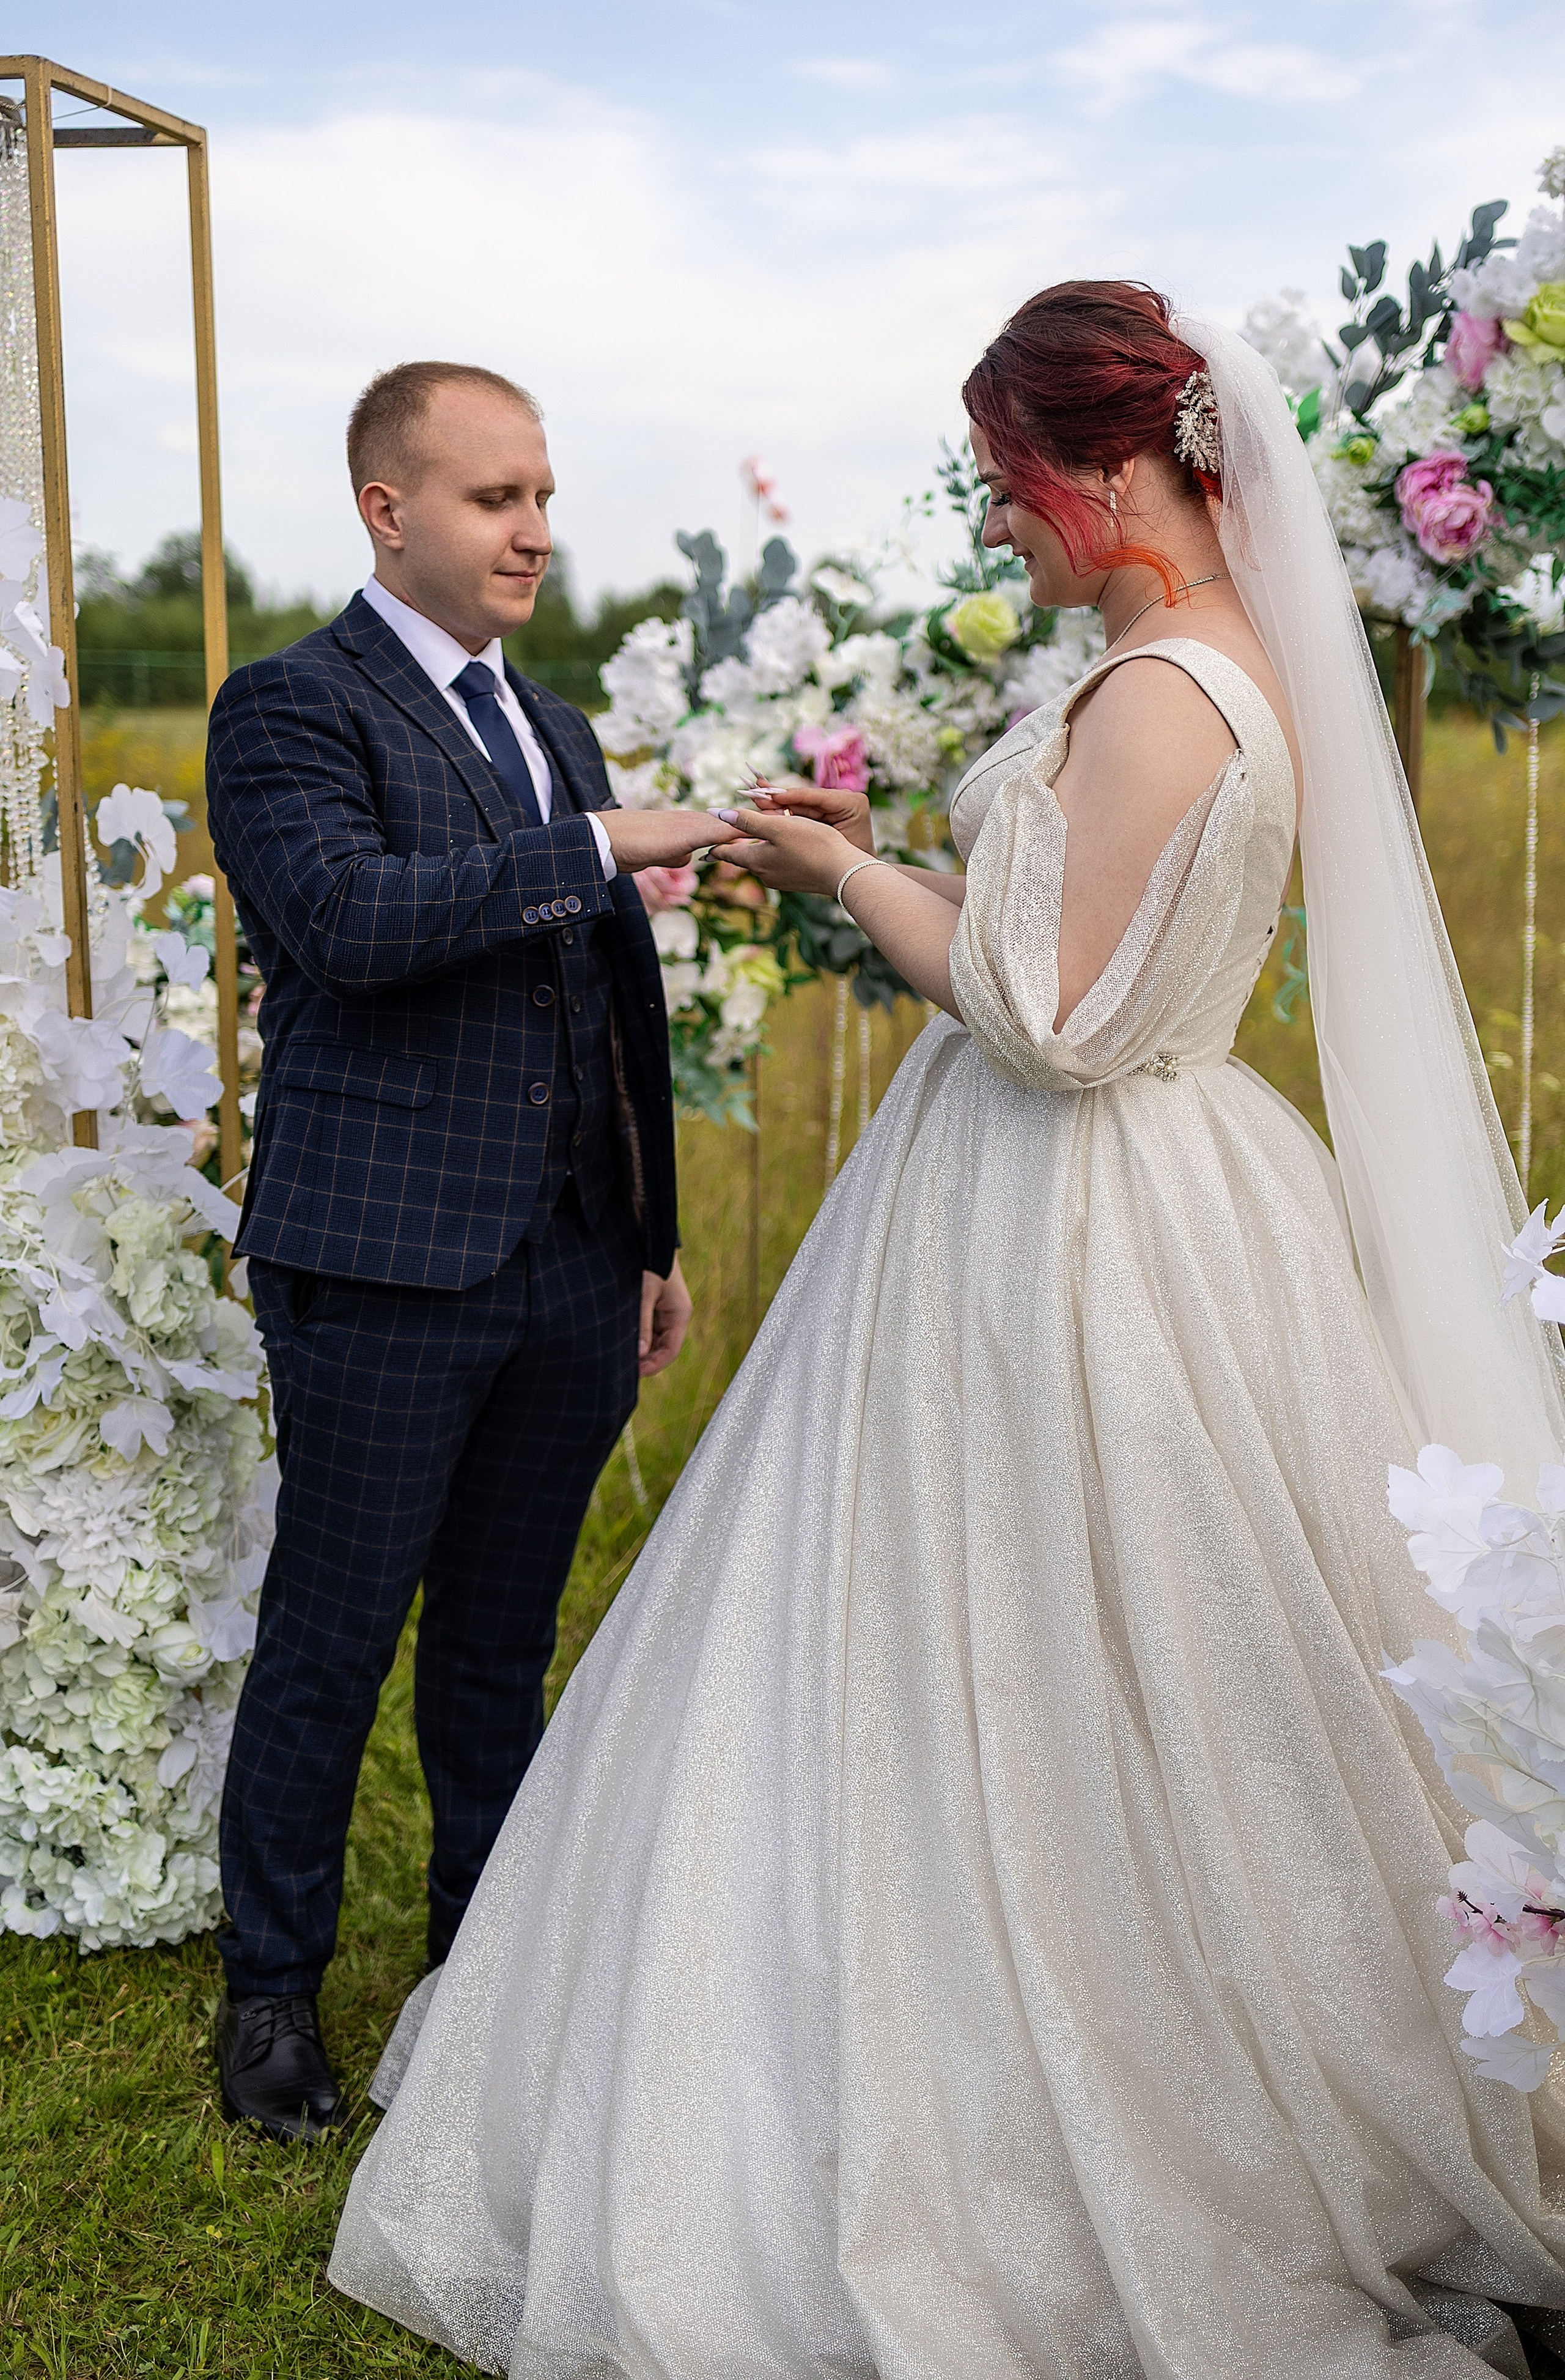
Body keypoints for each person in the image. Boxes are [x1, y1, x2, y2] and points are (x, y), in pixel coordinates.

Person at [330, 289, 1565, 2374]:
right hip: (1174, 1184)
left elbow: (1054, 1022)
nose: (1008, 533)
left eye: (1009, 491)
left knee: (1016, 1645)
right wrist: (882, 865)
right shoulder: (1227, 659)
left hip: (1067, 1224)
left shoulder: (1165, 686)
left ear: (1096, 472)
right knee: (1116, 1659)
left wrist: (854, 881)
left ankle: (1040, 2083)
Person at [204, 360, 739, 2141]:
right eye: (495, 497)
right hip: (379, 1263)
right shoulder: (287, 709)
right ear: (387, 509)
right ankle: (270, 1998)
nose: (535, 529)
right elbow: (348, 926)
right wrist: (590, 845)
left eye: (542, 495)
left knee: (501, 1649)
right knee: (334, 1639)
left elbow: (608, 997)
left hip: (571, 1264)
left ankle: (480, 1971)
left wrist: (645, 1230)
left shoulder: (551, 718)